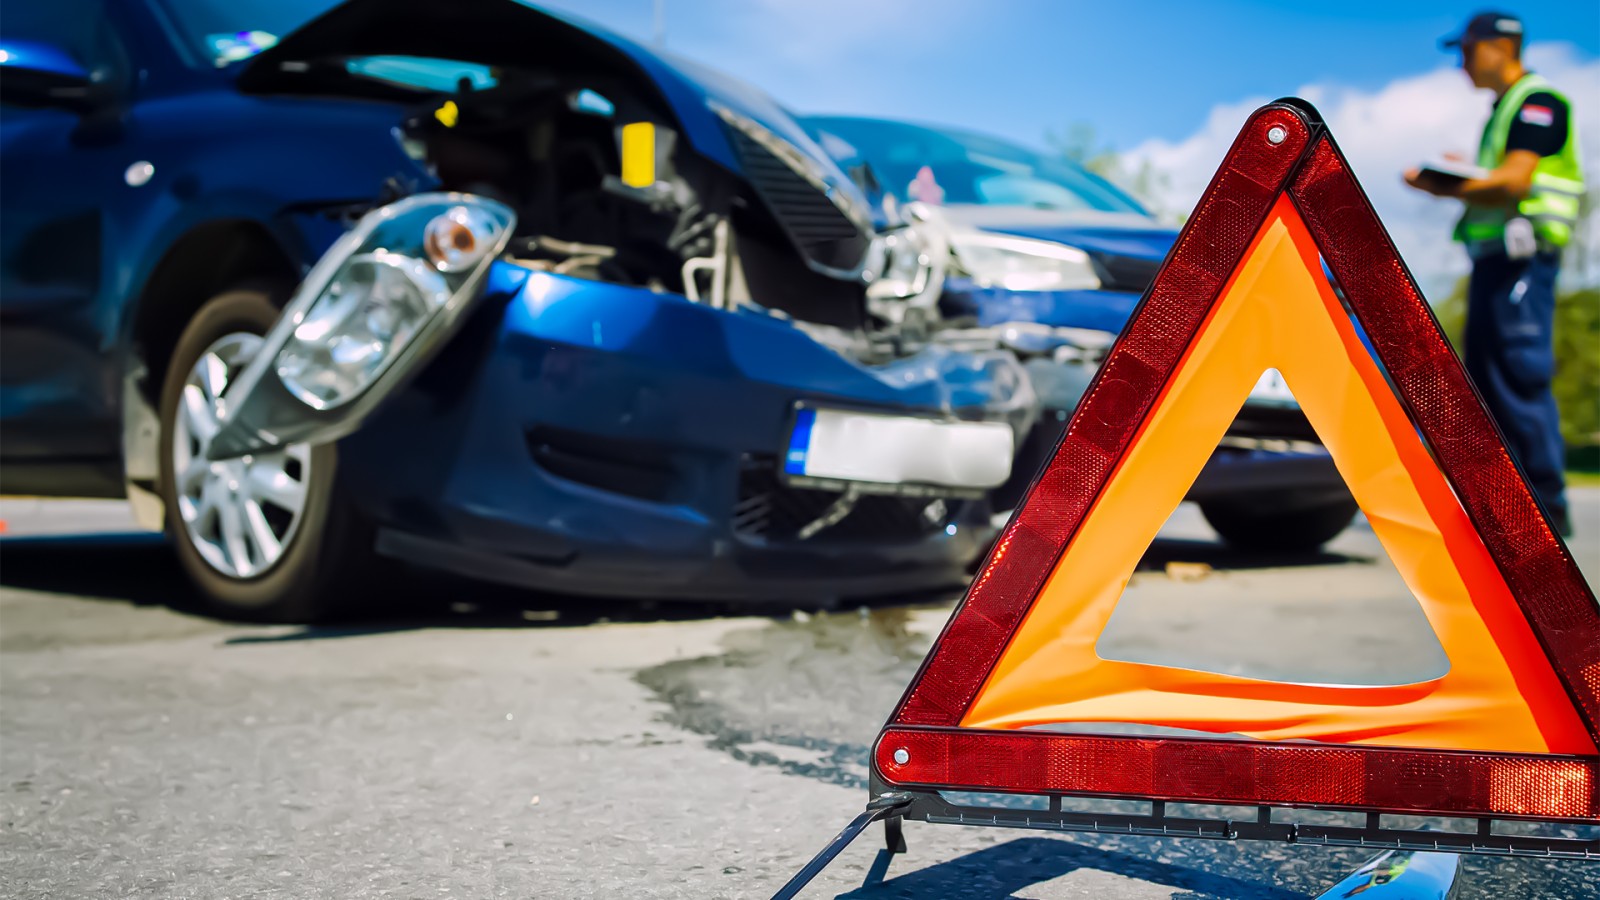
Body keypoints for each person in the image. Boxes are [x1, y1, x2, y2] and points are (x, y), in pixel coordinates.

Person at [1405, 10, 1585, 537]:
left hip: (1522, 262)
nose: (1461, 64)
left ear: (1498, 47)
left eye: (1465, 52)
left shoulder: (1537, 102)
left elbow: (1514, 182)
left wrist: (1447, 185)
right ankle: (1504, 510)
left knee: (1517, 375)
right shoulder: (1505, 109)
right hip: (1496, 264)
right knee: (1487, 379)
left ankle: (1545, 516)